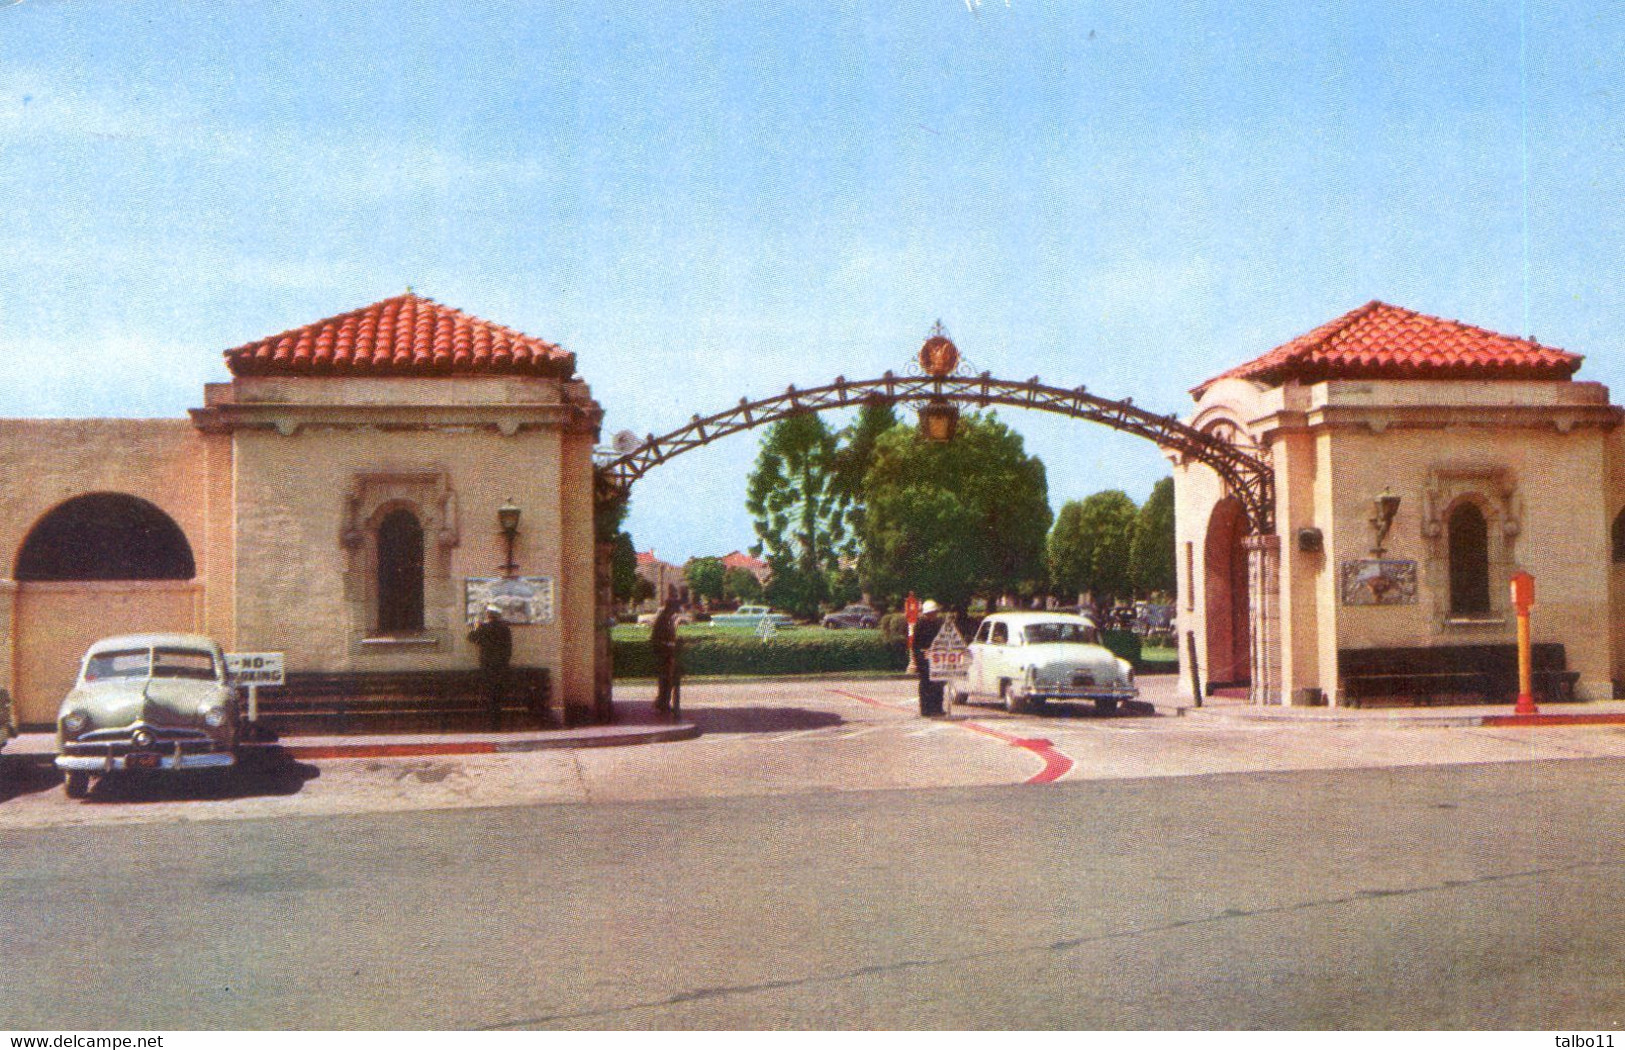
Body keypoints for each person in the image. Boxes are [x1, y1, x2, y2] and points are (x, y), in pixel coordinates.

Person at [467, 604, 513, 731]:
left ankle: (492, 722)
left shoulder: (484, 628)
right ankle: (497, 721)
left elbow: (471, 638)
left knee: (489, 693)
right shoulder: (505, 629)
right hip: (501, 665)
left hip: (487, 665)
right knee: (498, 693)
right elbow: (508, 648)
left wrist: (475, 627)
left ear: (488, 615)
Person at [651, 593, 683, 717]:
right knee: (665, 680)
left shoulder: (667, 618)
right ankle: (662, 703)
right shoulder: (663, 619)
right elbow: (656, 639)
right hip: (663, 655)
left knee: (667, 681)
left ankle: (663, 703)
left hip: (668, 655)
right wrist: (670, 644)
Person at [911, 599, 944, 714]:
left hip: (936, 658)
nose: (933, 615)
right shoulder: (920, 624)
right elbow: (915, 644)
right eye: (931, 613)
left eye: (935, 612)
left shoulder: (938, 624)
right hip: (923, 658)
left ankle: (937, 708)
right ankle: (926, 709)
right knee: (926, 684)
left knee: (938, 683)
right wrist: (918, 659)